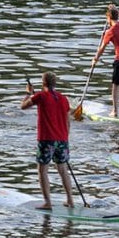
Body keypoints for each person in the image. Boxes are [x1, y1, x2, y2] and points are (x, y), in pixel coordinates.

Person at [21, 72, 74, 209]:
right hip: (62, 139)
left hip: (46, 139)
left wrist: (28, 93)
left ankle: (48, 202)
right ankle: (70, 200)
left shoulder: (41, 96)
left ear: (43, 83)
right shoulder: (63, 99)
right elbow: (68, 122)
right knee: (63, 169)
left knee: (42, 170)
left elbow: (23, 106)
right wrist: (65, 138)